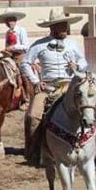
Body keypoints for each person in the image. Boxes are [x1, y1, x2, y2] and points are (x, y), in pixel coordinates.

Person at [20, 9, 87, 160]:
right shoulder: (39, 45)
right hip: (49, 88)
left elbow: (84, 61)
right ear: (52, 27)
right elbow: (25, 63)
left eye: (66, 25)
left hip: (70, 87)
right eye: (62, 25)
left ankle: (95, 146)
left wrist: (77, 66)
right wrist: (36, 81)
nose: (66, 28)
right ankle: (34, 151)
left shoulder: (73, 44)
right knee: (33, 116)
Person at [0, 8, 30, 106]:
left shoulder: (21, 30)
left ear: (15, 20)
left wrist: (13, 47)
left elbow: (26, 46)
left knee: (23, 74)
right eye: (7, 21)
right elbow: (7, 46)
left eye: (11, 20)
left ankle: (27, 97)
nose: (9, 23)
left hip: (20, 56)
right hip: (9, 57)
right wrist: (5, 50)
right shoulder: (7, 33)